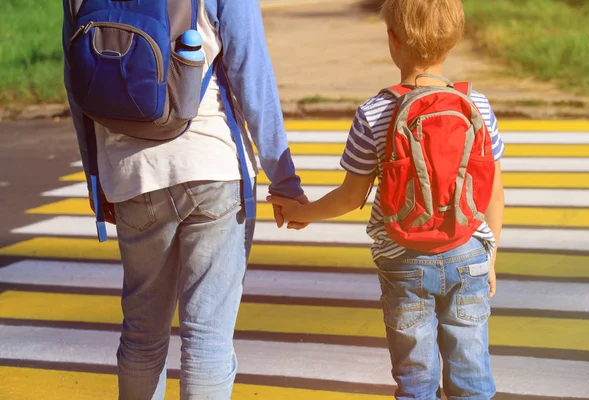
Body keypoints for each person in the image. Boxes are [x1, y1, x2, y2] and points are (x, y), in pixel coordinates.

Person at [62, 0, 307, 399]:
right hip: (213, 164)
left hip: (133, 177)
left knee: (143, 336)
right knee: (207, 336)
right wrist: (284, 180)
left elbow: (77, 80)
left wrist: (97, 178)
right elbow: (251, 72)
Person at [268, 0, 505, 398]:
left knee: (415, 375)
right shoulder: (477, 106)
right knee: (471, 371)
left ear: (392, 41)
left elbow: (350, 196)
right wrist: (490, 254)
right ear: (454, 41)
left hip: (403, 258)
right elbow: (493, 191)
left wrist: (303, 212)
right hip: (468, 252)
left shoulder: (374, 112)